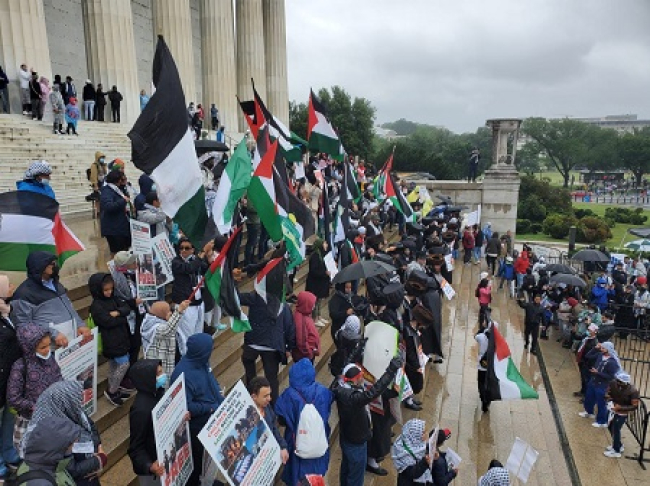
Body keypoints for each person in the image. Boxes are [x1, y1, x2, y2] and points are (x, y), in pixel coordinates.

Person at [332, 357, 402, 486]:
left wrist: (357, 348)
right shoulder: (354, 398)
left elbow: (347, 361)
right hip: (356, 442)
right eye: (360, 377)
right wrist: (391, 370)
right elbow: (374, 392)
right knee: (356, 477)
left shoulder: (339, 385)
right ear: (353, 379)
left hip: (347, 437)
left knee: (347, 469)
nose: (362, 379)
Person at [23, 381, 107, 486]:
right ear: (65, 401)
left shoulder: (71, 410)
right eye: (76, 399)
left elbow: (90, 427)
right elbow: (70, 469)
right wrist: (99, 459)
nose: (80, 403)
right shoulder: (49, 433)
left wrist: (98, 447)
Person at [171, 333, 225, 486]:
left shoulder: (202, 363)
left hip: (211, 419)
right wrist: (210, 407)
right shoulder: (182, 374)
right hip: (197, 428)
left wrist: (222, 402)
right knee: (196, 463)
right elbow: (186, 406)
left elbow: (211, 381)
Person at [11, 251, 88, 348]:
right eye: (52, 264)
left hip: (71, 343)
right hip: (50, 349)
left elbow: (69, 307)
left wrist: (80, 324)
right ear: (40, 266)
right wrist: (52, 333)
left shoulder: (56, 284)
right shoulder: (24, 294)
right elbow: (23, 326)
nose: (55, 266)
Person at [7, 323, 62, 457]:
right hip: (30, 421)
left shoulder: (50, 359)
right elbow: (13, 398)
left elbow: (59, 377)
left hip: (52, 417)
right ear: (29, 347)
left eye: (49, 345)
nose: (47, 350)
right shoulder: (20, 367)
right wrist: (34, 406)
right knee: (32, 455)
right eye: (43, 347)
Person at [275, 358, 333, 486]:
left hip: (296, 443)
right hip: (318, 442)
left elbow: (281, 418)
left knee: (297, 476)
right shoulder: (323, 391)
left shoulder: (289, 394)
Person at [238, 288, 296, 404]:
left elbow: (236, 297)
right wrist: (289, 347)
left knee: (250, 374)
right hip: (272, 346)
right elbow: (290, 327)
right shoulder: (282, 304)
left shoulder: (254, 297)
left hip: (253, 343)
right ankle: (273, 405)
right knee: (271, 378)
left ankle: (251, 398)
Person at [89, 273, 132, 407]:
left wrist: (118, 313)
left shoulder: (114, 299)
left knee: (114, 365)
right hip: (111, 340)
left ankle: (115, 386)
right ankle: (112, 390)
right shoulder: (96, 305)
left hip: (121, 337)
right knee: (124, 364)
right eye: (106, 290)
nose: (109, 292)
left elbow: (126, 309)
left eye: (110, 289)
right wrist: (122, 315)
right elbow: (107, 321)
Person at [128, 359, 169, 486]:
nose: (163, 376)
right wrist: (149, 466)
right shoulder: (141, 409)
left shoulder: (157, 393)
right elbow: (135, 447)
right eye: (158, 374)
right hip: (154, 470)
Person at [171, 238, 212, 357]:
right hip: (185, 305)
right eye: (181, 248)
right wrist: (201, 255)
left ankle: (197, 356)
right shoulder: (176, 262)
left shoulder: (196, 261)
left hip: (198, 303)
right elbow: (189, 269)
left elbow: (207, 270)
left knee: (198, 333)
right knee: (186, 336)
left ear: (193, 250)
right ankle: (187, 359)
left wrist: (209, 258)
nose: (183, 250)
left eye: (187, 248)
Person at [15, 417, 81, 486]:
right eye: (71, 445)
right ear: (59, 447)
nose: (73, 448)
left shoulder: (43, 462)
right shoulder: (40, 483)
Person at [0, 276, 21, 480]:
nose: (13, 287)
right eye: (9, 285)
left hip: (9, 378)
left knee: (9, 420)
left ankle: (9, 453)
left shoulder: (7, 312)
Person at [141, 300, 190, 380]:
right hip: (162, 366)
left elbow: (173, 324)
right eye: (168, 312)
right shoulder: (153, 326)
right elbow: (167, 330)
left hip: (174, 359)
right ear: (161, 314)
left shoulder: (160, 319)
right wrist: (179, 311)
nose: (170, 313)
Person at [247, 377, 289, 463]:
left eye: (269, 394)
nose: (270, 399)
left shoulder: (267, 407)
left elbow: (274, 428)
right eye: (265, 396)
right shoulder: (247, 417)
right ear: (254, 397)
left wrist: (283, 446)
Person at [580, 341, 621, 427]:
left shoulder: (612, 362)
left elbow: (610, 376)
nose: (601, 349)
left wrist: (598, 373)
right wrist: (595, 348)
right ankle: (589, 412)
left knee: (601, 403)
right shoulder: (599, 355)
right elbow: (588, 356)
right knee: (589, 397)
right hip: (593, 381)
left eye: (603, 348)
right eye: (601, 348)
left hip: (602, 384)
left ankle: (602, 421)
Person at [604, 371, 640, 458]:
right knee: (610, 427)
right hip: (612, 409)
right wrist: (608, 397)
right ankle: (618, 445)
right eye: (617, 381)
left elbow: (634, 406)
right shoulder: (613, 383)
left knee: (616, 429)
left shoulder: (633, 391)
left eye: (620, 382)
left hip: (622, 413)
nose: (617, 383)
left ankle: (616, 451)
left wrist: (620, 408)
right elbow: (608, 393)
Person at [390, 419, 435, 486]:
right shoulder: (404, 455)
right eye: (424, 432)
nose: (427, 434)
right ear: (415, 435)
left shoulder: (412, 441)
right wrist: (425, 462)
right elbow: (413, 473)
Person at [100, 170, 133, 255]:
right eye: (122, 179)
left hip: (121, 227)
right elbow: (108, 206)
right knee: (118, 255)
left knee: (125, 252)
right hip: (113, 229)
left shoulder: (118, 189)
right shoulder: (107, 191)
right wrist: (123, 201)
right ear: (117, 180)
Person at [305, 238, 331, 326]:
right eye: (325, 243)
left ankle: (319, 316)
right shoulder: (315, 256)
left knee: (319, 301)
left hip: (321, 283)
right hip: (315, 283)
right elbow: (314, 271)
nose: (326, 245)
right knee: (315, 301)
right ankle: (315, 318)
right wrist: (325, 273)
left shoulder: (322, 254)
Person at [292, 291, 321, 363]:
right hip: (304, 357)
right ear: (306, 304)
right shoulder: (300, 319)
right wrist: (309, 353)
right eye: (312, 304)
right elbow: (301, 342)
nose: (314, 306)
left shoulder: (305, 314)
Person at [476, 321, 491, 412]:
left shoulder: (482, 337)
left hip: (482, 364)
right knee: (489, 383)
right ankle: (488, 400)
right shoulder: (496, 340)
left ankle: (483, 398)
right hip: (491, 366)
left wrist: (482, 328)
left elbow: (475, 336)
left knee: (481, 382)